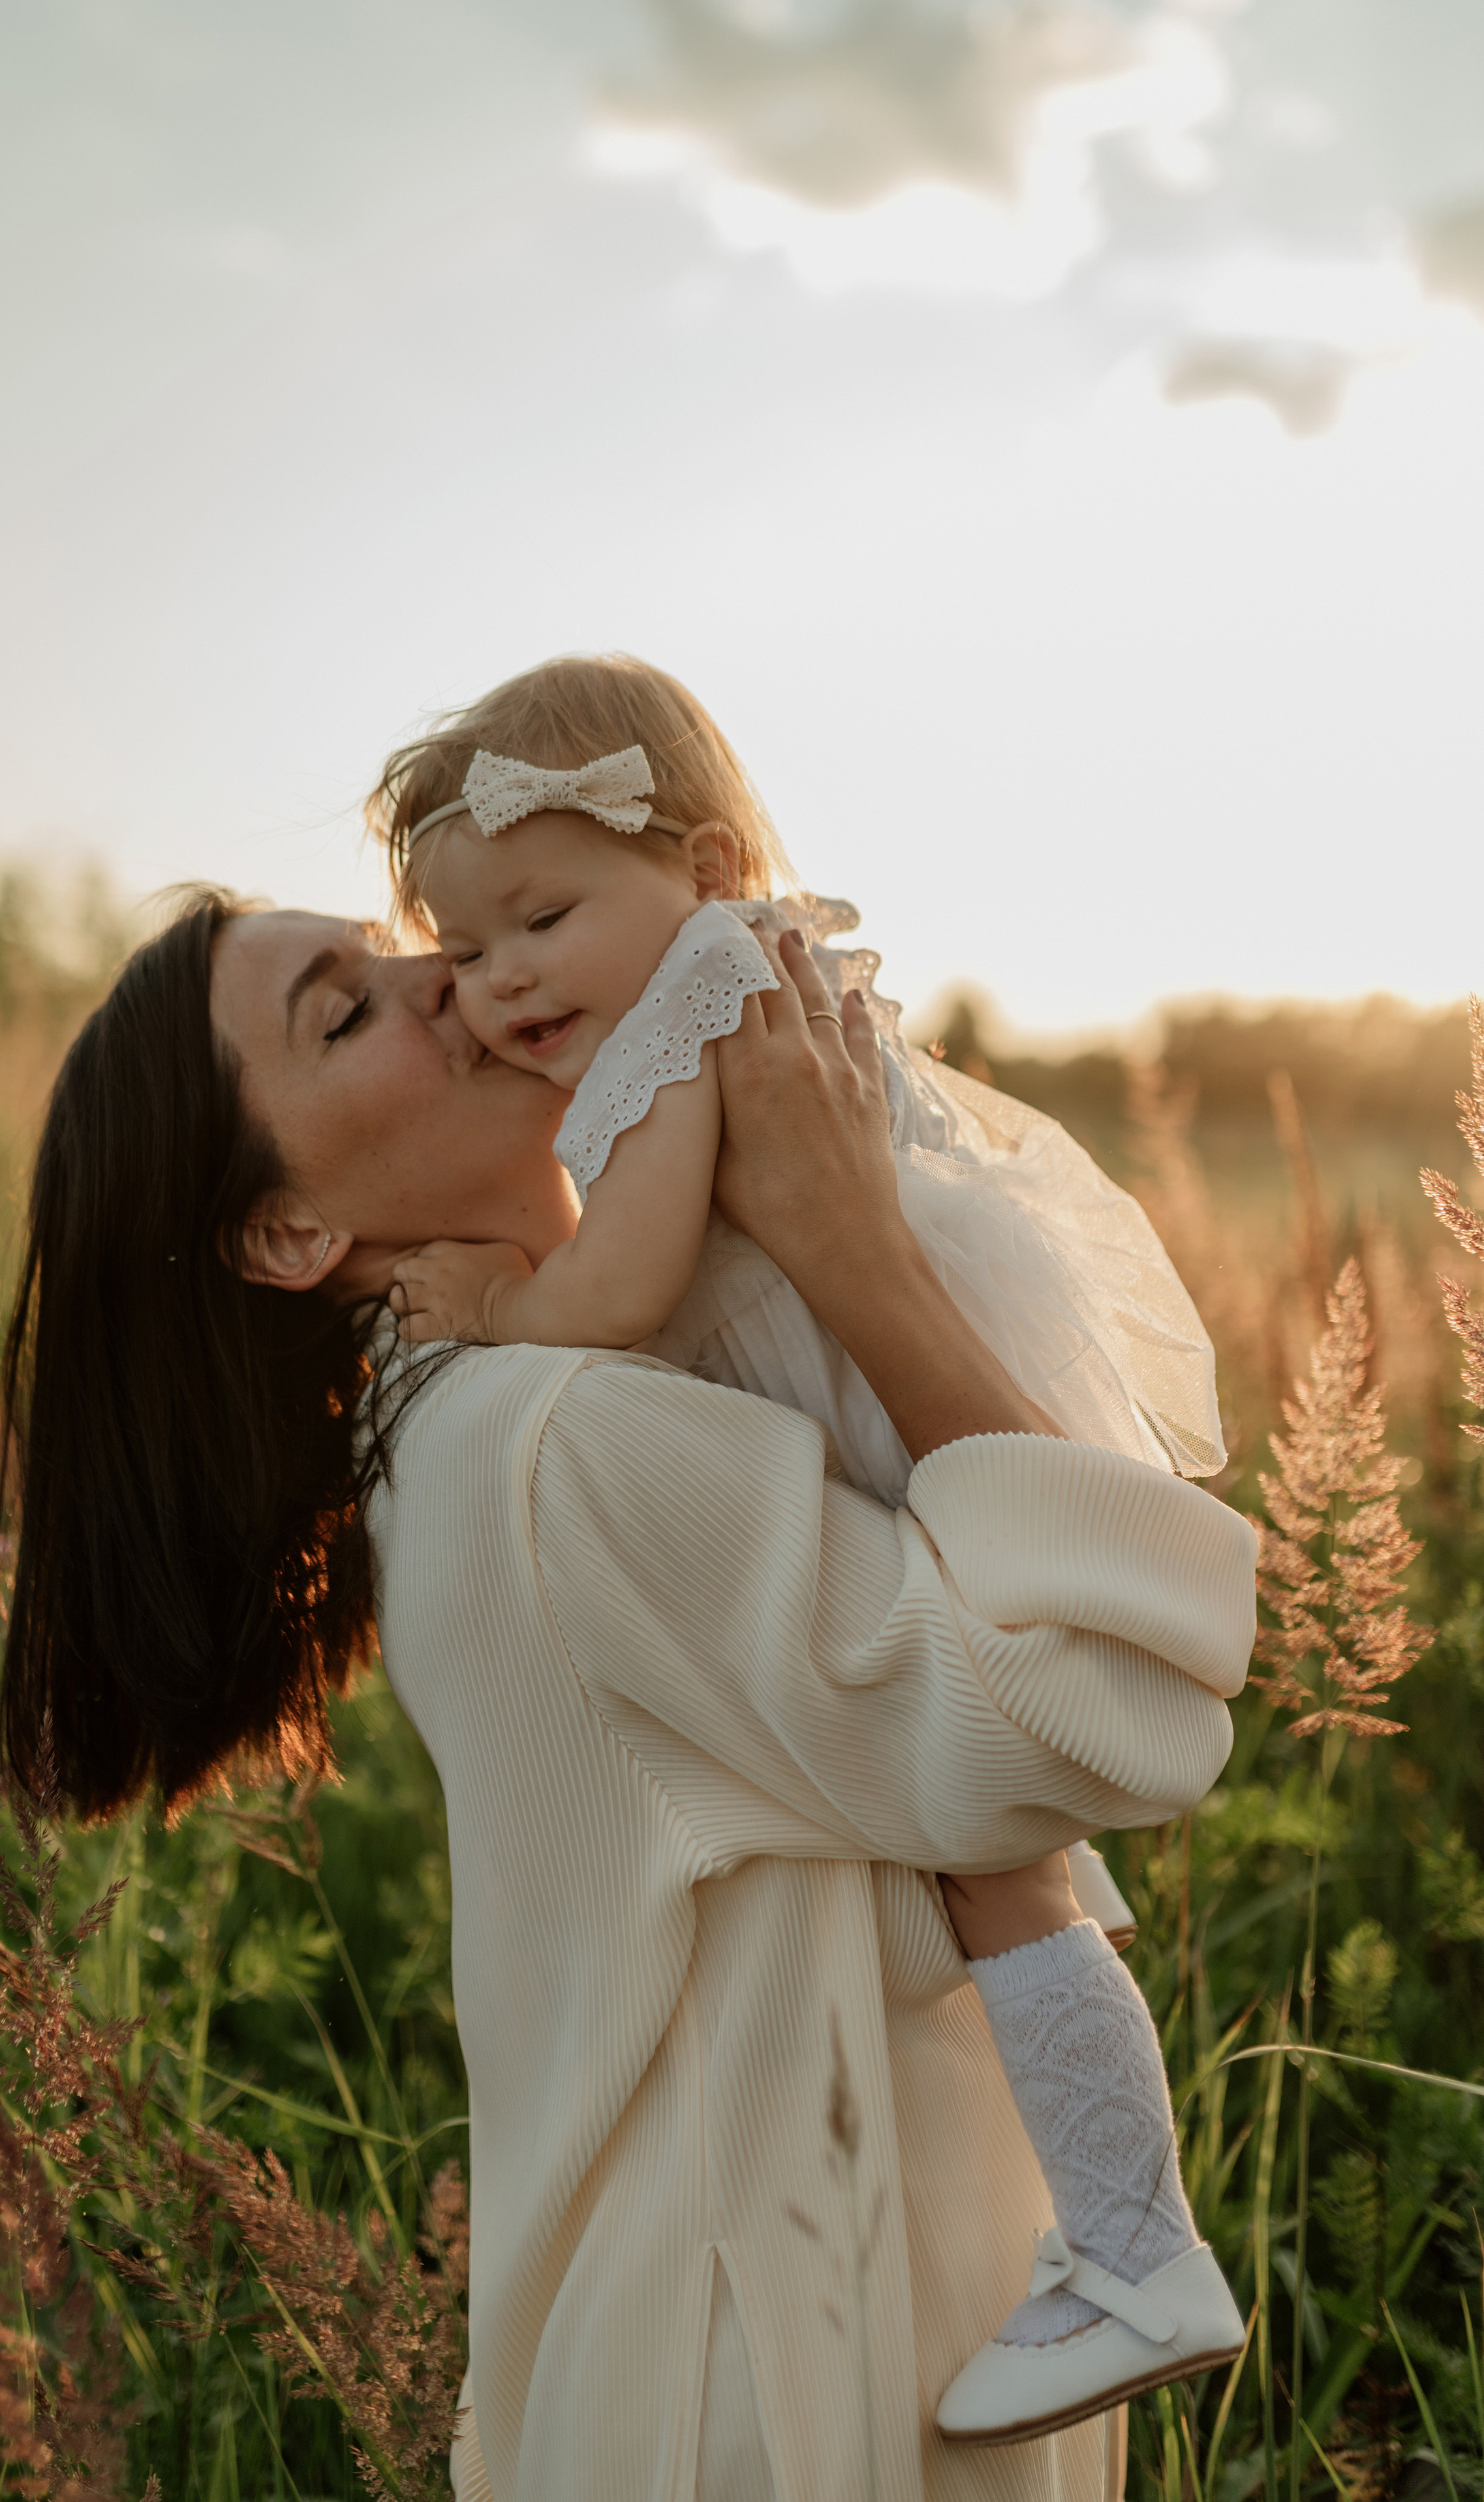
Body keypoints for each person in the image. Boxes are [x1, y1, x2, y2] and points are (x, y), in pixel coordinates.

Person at [0, 874, 1256, 2502]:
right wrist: (857, 1254)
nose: (443, 981)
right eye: (346, 1010)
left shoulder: (487, 1412)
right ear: (290, 1234)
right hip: (783, 2395)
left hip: (778, 2346)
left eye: (396, 947)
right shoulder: (550, 1447)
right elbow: (1099, 1711)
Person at [367, 655, 1243, 2446]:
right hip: (872, 1389)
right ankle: (1131, 2242)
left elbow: (624, 1287)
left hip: (868, 1391)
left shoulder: (706, 995)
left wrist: (495, 1306)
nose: (502, 977)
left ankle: (1139, 2248)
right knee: (1007, 1875)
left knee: (1002, 1838)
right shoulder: (711, 982)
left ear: (701, 865)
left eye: (543, 916)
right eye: (463, 950)